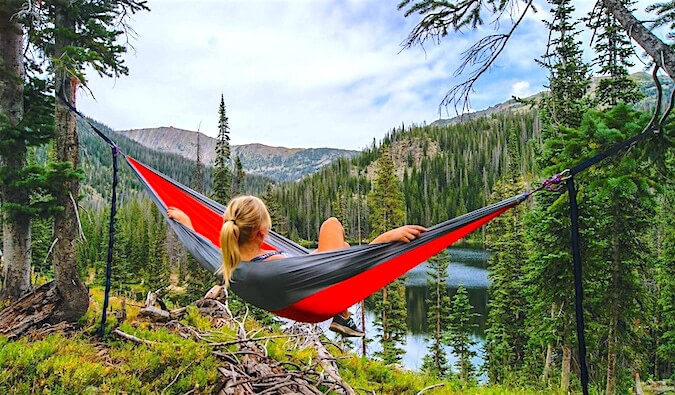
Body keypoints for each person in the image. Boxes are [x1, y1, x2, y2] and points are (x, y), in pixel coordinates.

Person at [167, 195, 426, 337]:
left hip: (302, 282)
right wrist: (383, 241)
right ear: (262, 232)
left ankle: (343, 315)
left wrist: (186, 223)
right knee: (331, 225)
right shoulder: (274, 266)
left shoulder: (228, 260)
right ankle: (342, 314)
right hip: (320, 296)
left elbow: (201, 245)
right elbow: (343, 271)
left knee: (341, 244)